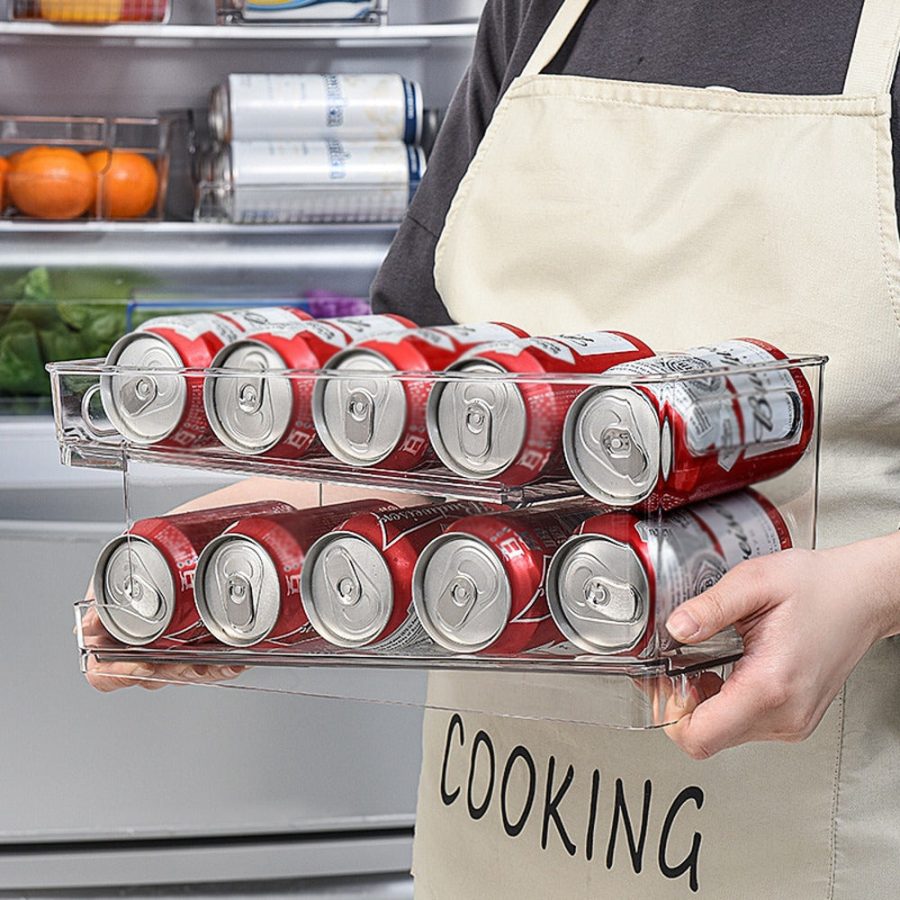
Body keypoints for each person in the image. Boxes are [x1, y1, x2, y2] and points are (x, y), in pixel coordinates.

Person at [89, 1, 900, 895]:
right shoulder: (538, 10)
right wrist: (246, 545)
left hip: (805, 827)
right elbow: (429, 405)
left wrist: (871, 591)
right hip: (503, 818)